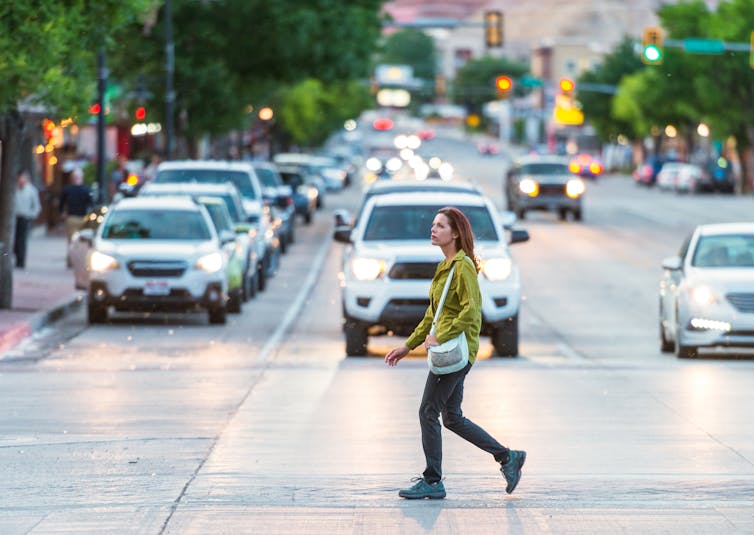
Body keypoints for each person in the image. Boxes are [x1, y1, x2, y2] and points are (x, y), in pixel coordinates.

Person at [385, 206, 525, 500]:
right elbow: (432, 316)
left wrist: (441, 336)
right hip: (448, 349)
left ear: (456, 233)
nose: (433, 230)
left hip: (456, 351)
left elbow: (472, 313)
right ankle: (507, 457)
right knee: (451, 417)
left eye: (440, 226)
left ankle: (433, 481)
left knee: (427, 411)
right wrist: (407, 345)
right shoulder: (446, 266)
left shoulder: (462, 267)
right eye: (433, 225)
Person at [59, 167, 93, 266]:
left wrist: (62, 213)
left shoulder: (67, 189)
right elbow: (91, 204)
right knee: (82, 242)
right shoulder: (86, 190)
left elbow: (61, 204)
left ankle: (71, 262)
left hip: (72, 218)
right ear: (81, 178)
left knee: (71, 241)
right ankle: (80, 261)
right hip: (82, 218)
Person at [13, 170, 41, 269]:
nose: (21, 179)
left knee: (22, 240)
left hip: (25, 218)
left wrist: (31, 215)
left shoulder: (31, 190)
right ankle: (16, 258)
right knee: (14, 240)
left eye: (23, 177)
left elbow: (37, 206)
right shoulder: (13, 189)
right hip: (14, 218)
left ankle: (21, 261)